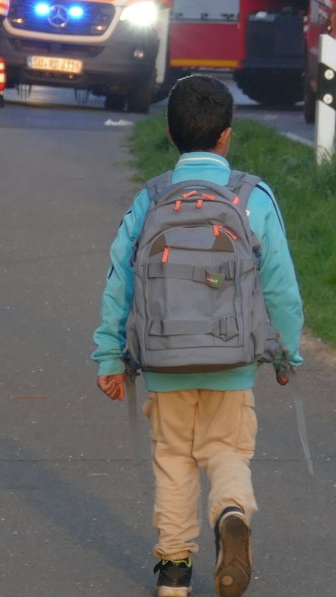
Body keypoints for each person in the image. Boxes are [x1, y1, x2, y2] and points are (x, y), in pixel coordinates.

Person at [92, 76, 305, 597]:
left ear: (169, 133)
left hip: (164, 362)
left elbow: (120, 278)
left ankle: (174, 571)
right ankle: (231, 511)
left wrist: (110, 357)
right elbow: (281, 285)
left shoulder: (151, 200)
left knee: (173, 459)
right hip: (231, 362)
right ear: (226, 136)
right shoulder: (252, 198)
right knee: (227, 451)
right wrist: (285, 352)